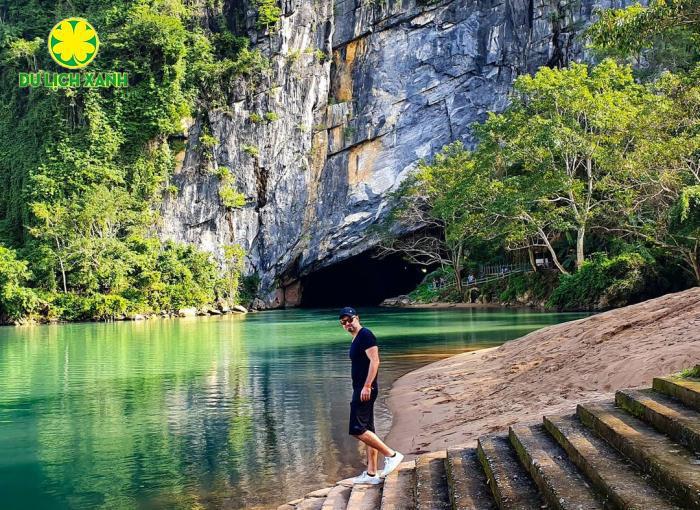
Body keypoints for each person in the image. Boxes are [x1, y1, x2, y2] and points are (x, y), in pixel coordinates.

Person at [339, 306, 404, 484]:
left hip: (365, 389)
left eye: (349, 320)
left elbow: (375, 361)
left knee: (357, 429)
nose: (347, 324)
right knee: (369, 429)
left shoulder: (366, 335)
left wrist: (367, 386)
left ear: (357, 318)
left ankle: (392, 455)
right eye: (343, 322)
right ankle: (371, 474)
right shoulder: (356, 339)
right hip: (360, 388)